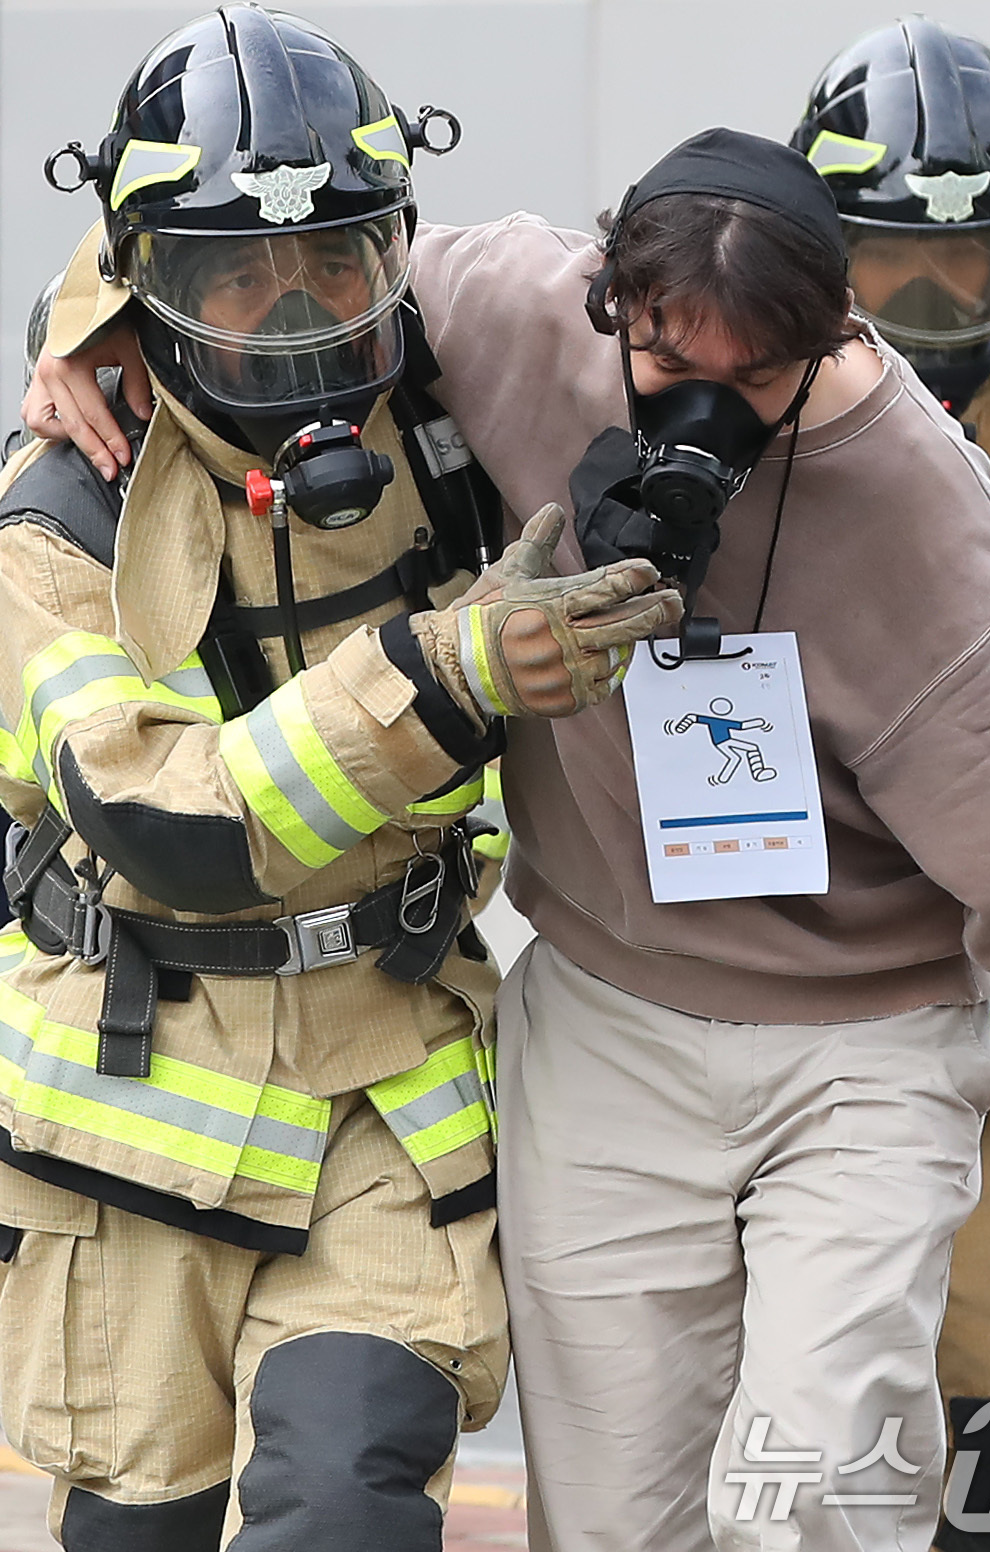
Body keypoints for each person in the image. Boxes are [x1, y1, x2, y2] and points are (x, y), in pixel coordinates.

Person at [27, 115, 990, 1552]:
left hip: (865, 1041)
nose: (710, 414)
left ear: (836, 336)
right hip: (608, 1016)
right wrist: (97, 329)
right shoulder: (509, 310)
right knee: (611, 1515)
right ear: (608, 299)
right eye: (669, 368)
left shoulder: (933, 524)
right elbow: (277, 228)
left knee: (814, 1482)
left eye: (763, 382)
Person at [0, 6, 678, 1549]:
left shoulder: (456, 422)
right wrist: (450, 675)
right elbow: (165, 826)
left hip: (388, 1091)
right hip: (132, 1106)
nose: (296, 314)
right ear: (143, 284)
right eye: (232, 274)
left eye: (338, 263)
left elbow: (699, 306)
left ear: (398, 249)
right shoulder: (57, 521)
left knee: (353, 1503)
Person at [790, 21, 990, 1549]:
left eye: (967, 267)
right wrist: (104, 318)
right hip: (767, 1056)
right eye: (886, 267)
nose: (928, 314)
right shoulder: (677, 396)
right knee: (773, 1481)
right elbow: (343, 241)